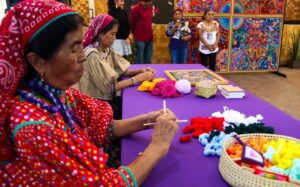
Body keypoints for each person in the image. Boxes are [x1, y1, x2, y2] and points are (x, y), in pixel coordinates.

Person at [0, 0, 178, 186]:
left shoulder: (57, 95)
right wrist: (158, 146)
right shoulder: (32, 127)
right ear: (38, 62)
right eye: (74, 48)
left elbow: (103, 128)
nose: (83, 56)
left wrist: (146, 120)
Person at [78, 14, 155, 119]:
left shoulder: (106, 49)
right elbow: (108, 89)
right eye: (112, 34)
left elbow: (120, 70)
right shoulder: (93, 55)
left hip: (105, 100)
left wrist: (139, 71)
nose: (114, 38)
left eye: (115, 34)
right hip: (96, 105)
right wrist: (137, 79)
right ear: (100, 34)